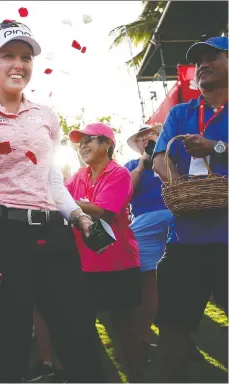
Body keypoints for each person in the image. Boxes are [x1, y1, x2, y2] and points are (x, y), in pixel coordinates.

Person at [0, 20, 105, 382]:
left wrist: (79, 217)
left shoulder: (46, 115)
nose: (18, 64)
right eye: (8, 55)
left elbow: (52, 180)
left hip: (54, 233)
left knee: (79, 336)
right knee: (11, 343)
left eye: (25, 57)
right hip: (3, 233)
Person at [152, 36, 228, 382]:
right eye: (198, 60)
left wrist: (217, 147)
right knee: (171, 323)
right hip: (185, 239)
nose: (203, 64)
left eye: (213, 55)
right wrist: (182, 183)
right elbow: (157, 159)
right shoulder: (181, 113)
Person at [66, 123, 143, 382]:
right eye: (80, 141)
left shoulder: (118, 173)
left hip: (118, 264)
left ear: (108, 144)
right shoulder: (77, 176)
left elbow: (102, 212)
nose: (83, 145)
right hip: (86, 266)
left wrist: (64, 203)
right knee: (82, 328)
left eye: (90, 139)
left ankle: (136, 377)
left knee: (125, 332)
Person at [124, 124, 173, 363]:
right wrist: (143, 165)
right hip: (144, 223)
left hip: (178, 218)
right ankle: (142, 338)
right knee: (148, 284)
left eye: (149, 135)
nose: (145, 140)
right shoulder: (131, 167)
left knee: (180, 282)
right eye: (141, 139)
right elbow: (125, 194)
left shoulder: (174, 158)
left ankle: (177, 337)